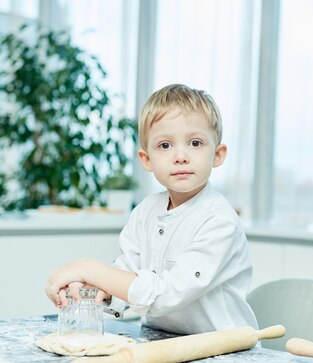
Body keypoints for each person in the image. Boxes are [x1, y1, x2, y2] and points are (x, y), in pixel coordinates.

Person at [45, 84, 258, 335]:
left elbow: (165, 295)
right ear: (146, 159)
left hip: (225, 354)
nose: (180, 156)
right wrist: (94, 290)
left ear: (218, 154)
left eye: (195, 143)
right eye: (165, 145)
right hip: (165, 343)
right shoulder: (146, 211)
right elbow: (126, 275)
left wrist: (89, 268)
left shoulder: (219, 221)